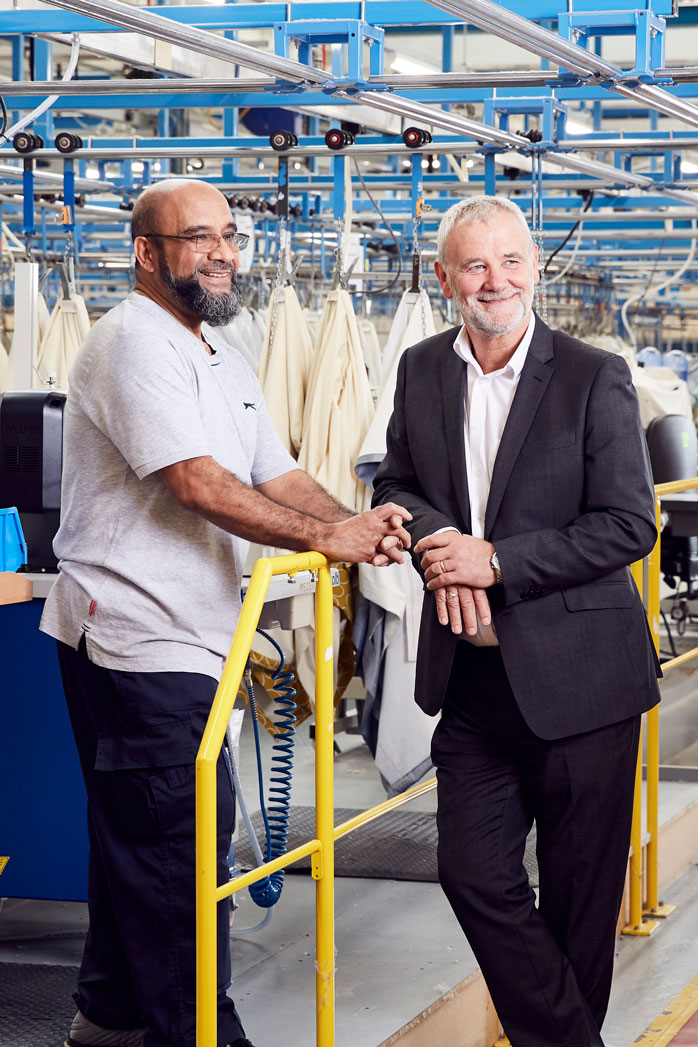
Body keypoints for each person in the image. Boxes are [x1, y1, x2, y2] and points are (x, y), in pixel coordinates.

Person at [40, 178, 411, 1047]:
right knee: (180, 850)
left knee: (141, 835)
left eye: (229, 237)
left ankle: (110, 1015)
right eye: (198, 236)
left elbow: (276, 476)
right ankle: (203, 1032)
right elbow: (198, 482)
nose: (220, 252)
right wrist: (332, 542)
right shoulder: (132, 341)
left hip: (192, 637)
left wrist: (360, 529)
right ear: (146, 252)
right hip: (135, 639)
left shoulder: (221, 355)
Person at [372, 195, 661, 1047]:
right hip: (472, 681)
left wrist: (494, 560)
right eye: (473, 264)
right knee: (472, 873)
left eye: (509, 262)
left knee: (579, 908)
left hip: (583, 683)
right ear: (445, 277)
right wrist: (441, 542)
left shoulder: (592, 373)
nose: (493, 281)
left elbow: (627, 523)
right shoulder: (422, 369)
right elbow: (394, 486)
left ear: (536, 268)